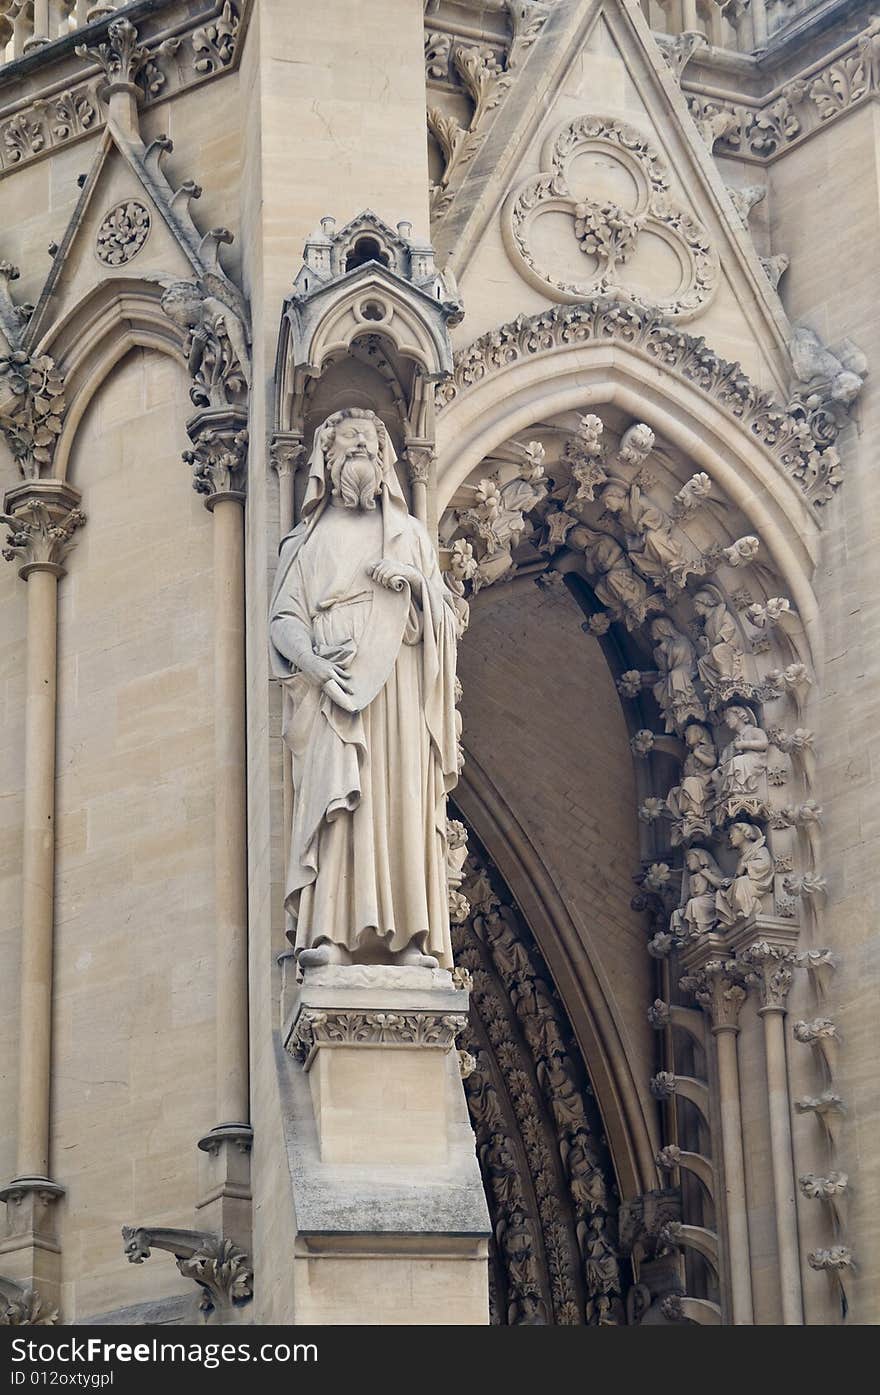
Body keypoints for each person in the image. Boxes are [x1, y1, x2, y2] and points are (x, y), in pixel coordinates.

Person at [268, 408, 459, 967]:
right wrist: (314, 663)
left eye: (368, 444)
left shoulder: (409, 537)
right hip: (334, 689)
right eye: (347, 442)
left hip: (397, 687)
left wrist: (416, 585)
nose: (359, 450)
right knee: (339, 805)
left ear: (384, 461)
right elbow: (284, 620)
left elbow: (446, 618)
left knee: (398, 798)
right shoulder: (308, 541)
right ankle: (328, 935)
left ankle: (408, 941)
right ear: (327, 461)